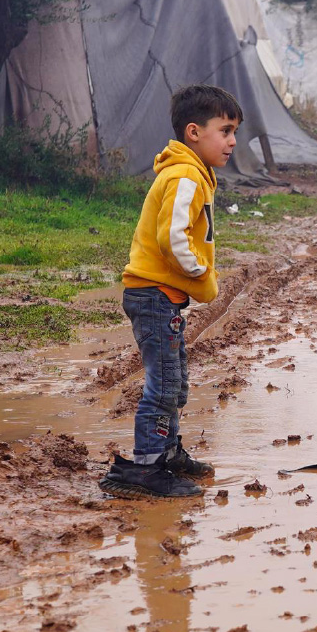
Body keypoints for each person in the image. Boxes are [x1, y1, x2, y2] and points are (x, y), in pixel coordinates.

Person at [98, 85, 241, 499]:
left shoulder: (195, 173)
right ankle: (143, 468)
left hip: (164, 297)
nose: (232, 141)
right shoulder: (184, 176)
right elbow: (172, 237)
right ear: (194, 132)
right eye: (226, 130)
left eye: (234, 132)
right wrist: (200, 273)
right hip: (153, 295)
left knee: (175, 382)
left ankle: (167, 452)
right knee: (162, 385)